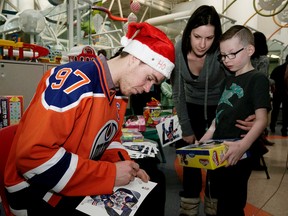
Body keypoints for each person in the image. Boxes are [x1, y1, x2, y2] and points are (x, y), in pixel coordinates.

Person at [4, 22, 175, 216]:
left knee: (155, 182)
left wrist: (126, 167)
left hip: (73, 173)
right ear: (135, 59)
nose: (147, 89)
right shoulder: (73, 82)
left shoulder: (120, 92)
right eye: (150, 78)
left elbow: (110, 139)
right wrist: (110, 174)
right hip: (34, 190)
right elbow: (34, 160)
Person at [171, 5, 255, 216]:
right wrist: (186, 127)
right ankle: (188, 209)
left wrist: (250, 112)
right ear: (189, 32)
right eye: (197, 36)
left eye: (209, 38)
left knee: (217, 165)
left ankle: (213, 208)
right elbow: (178, 93)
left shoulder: (221, 52)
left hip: (220, 109)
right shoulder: (179, 49)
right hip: (189, 109)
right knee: (190, 163)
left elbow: (238, 83)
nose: (202, 44)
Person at [199, 25, 271, 216]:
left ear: (249, 50)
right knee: (221, 199)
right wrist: (204, 139)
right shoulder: (228, 80)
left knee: (233, 202)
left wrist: (243, 145)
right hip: (220, 148)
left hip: (240, 151)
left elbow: (261, 119)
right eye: (223, 56)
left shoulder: (257, 79)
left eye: (232, 54)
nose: (226, 60)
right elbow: (219, 116)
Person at [270, 54, 288, 136]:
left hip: (277, 93)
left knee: (275, 110)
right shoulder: (280, 69)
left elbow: (272, 79)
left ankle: (273, 126)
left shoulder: (277, 69)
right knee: (285, 111)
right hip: (284, 93)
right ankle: (284, 129)